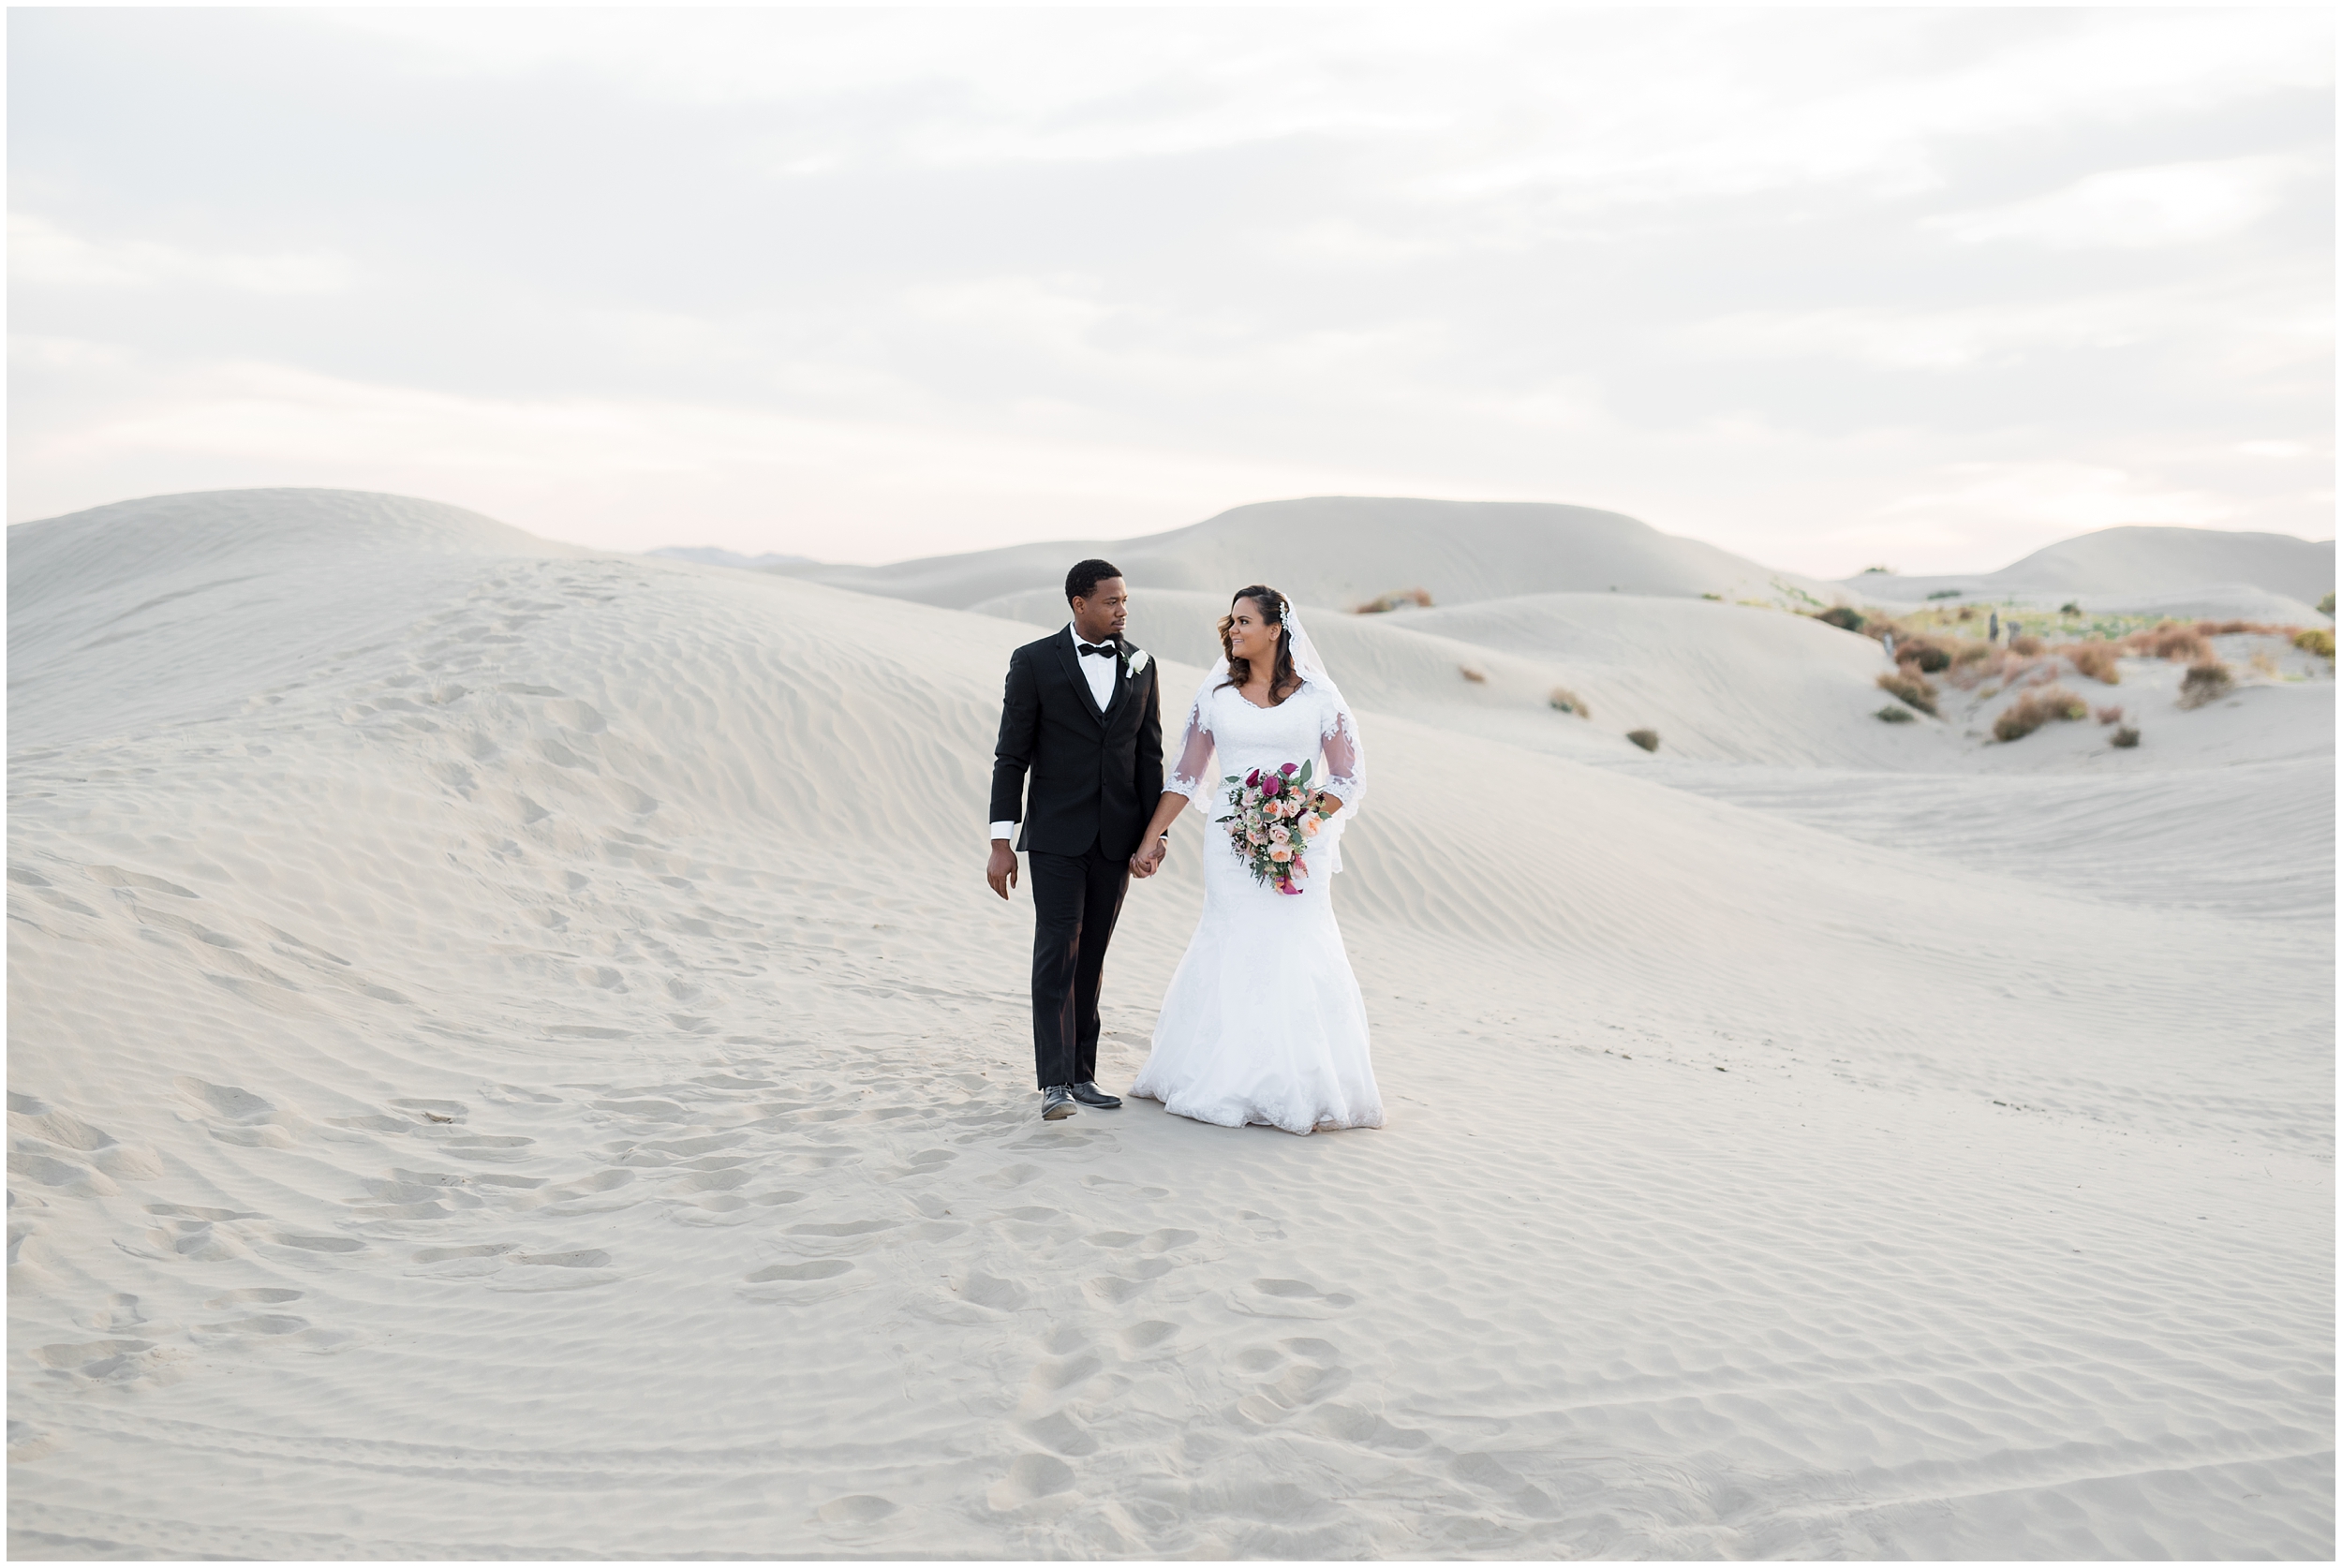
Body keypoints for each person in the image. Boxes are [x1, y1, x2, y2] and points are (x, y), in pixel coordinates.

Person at [1124, 586, 1383, 1133]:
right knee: (1232, 941)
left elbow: (1346, 778)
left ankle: (1297, 1082)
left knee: (1292, 945)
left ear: (1275, 630)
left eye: (1244, 621)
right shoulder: (1216, 694)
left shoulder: (1319, 698)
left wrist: (1298, 817)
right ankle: (1221, 1077)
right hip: (1228, 843)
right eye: (1231, 621)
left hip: (1301, 844)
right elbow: (1187, 776)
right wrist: (1152, 836)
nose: (1233, 630)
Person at [986, 560, 1164, 1122]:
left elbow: (1149, 757)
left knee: (1092, 957)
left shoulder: (1142, 664)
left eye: (1125, 600)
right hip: (1056, 837)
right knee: (1056, 950)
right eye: (1111, 601)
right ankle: (1054, 1083)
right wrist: (1001, 839)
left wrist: (1152, 836)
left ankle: (1083, 1074)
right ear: (1078, 603)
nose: (1122, 610)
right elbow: (1011, 757)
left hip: (1117, 839)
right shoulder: (1035, 661)